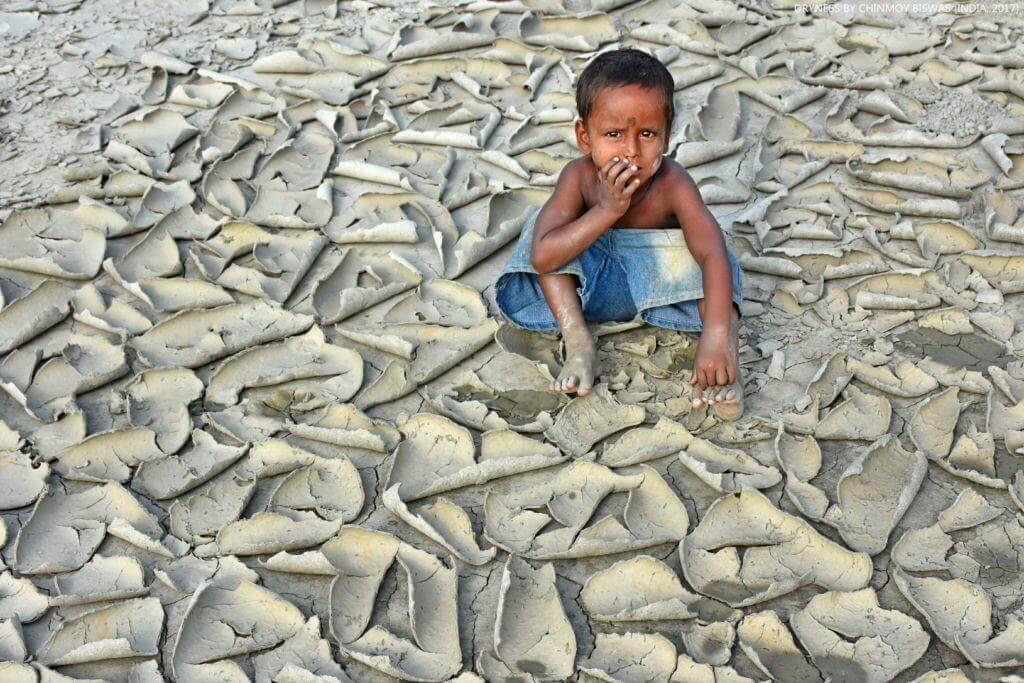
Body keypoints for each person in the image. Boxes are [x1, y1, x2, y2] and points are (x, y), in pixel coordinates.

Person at [493, 48, 745, 421]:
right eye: (613, 134)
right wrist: (608, 210)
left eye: (646, 133)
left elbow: (710, 254)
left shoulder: (673, 183)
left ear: (667, 136)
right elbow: (544, 258)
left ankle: (725, 357)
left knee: (716, 252)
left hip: (658, 291)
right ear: (584, 136)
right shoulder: (578, 178)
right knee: (541, 231)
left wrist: (714, 334)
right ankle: (578, 342)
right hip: (589, 290)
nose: (631, 151)